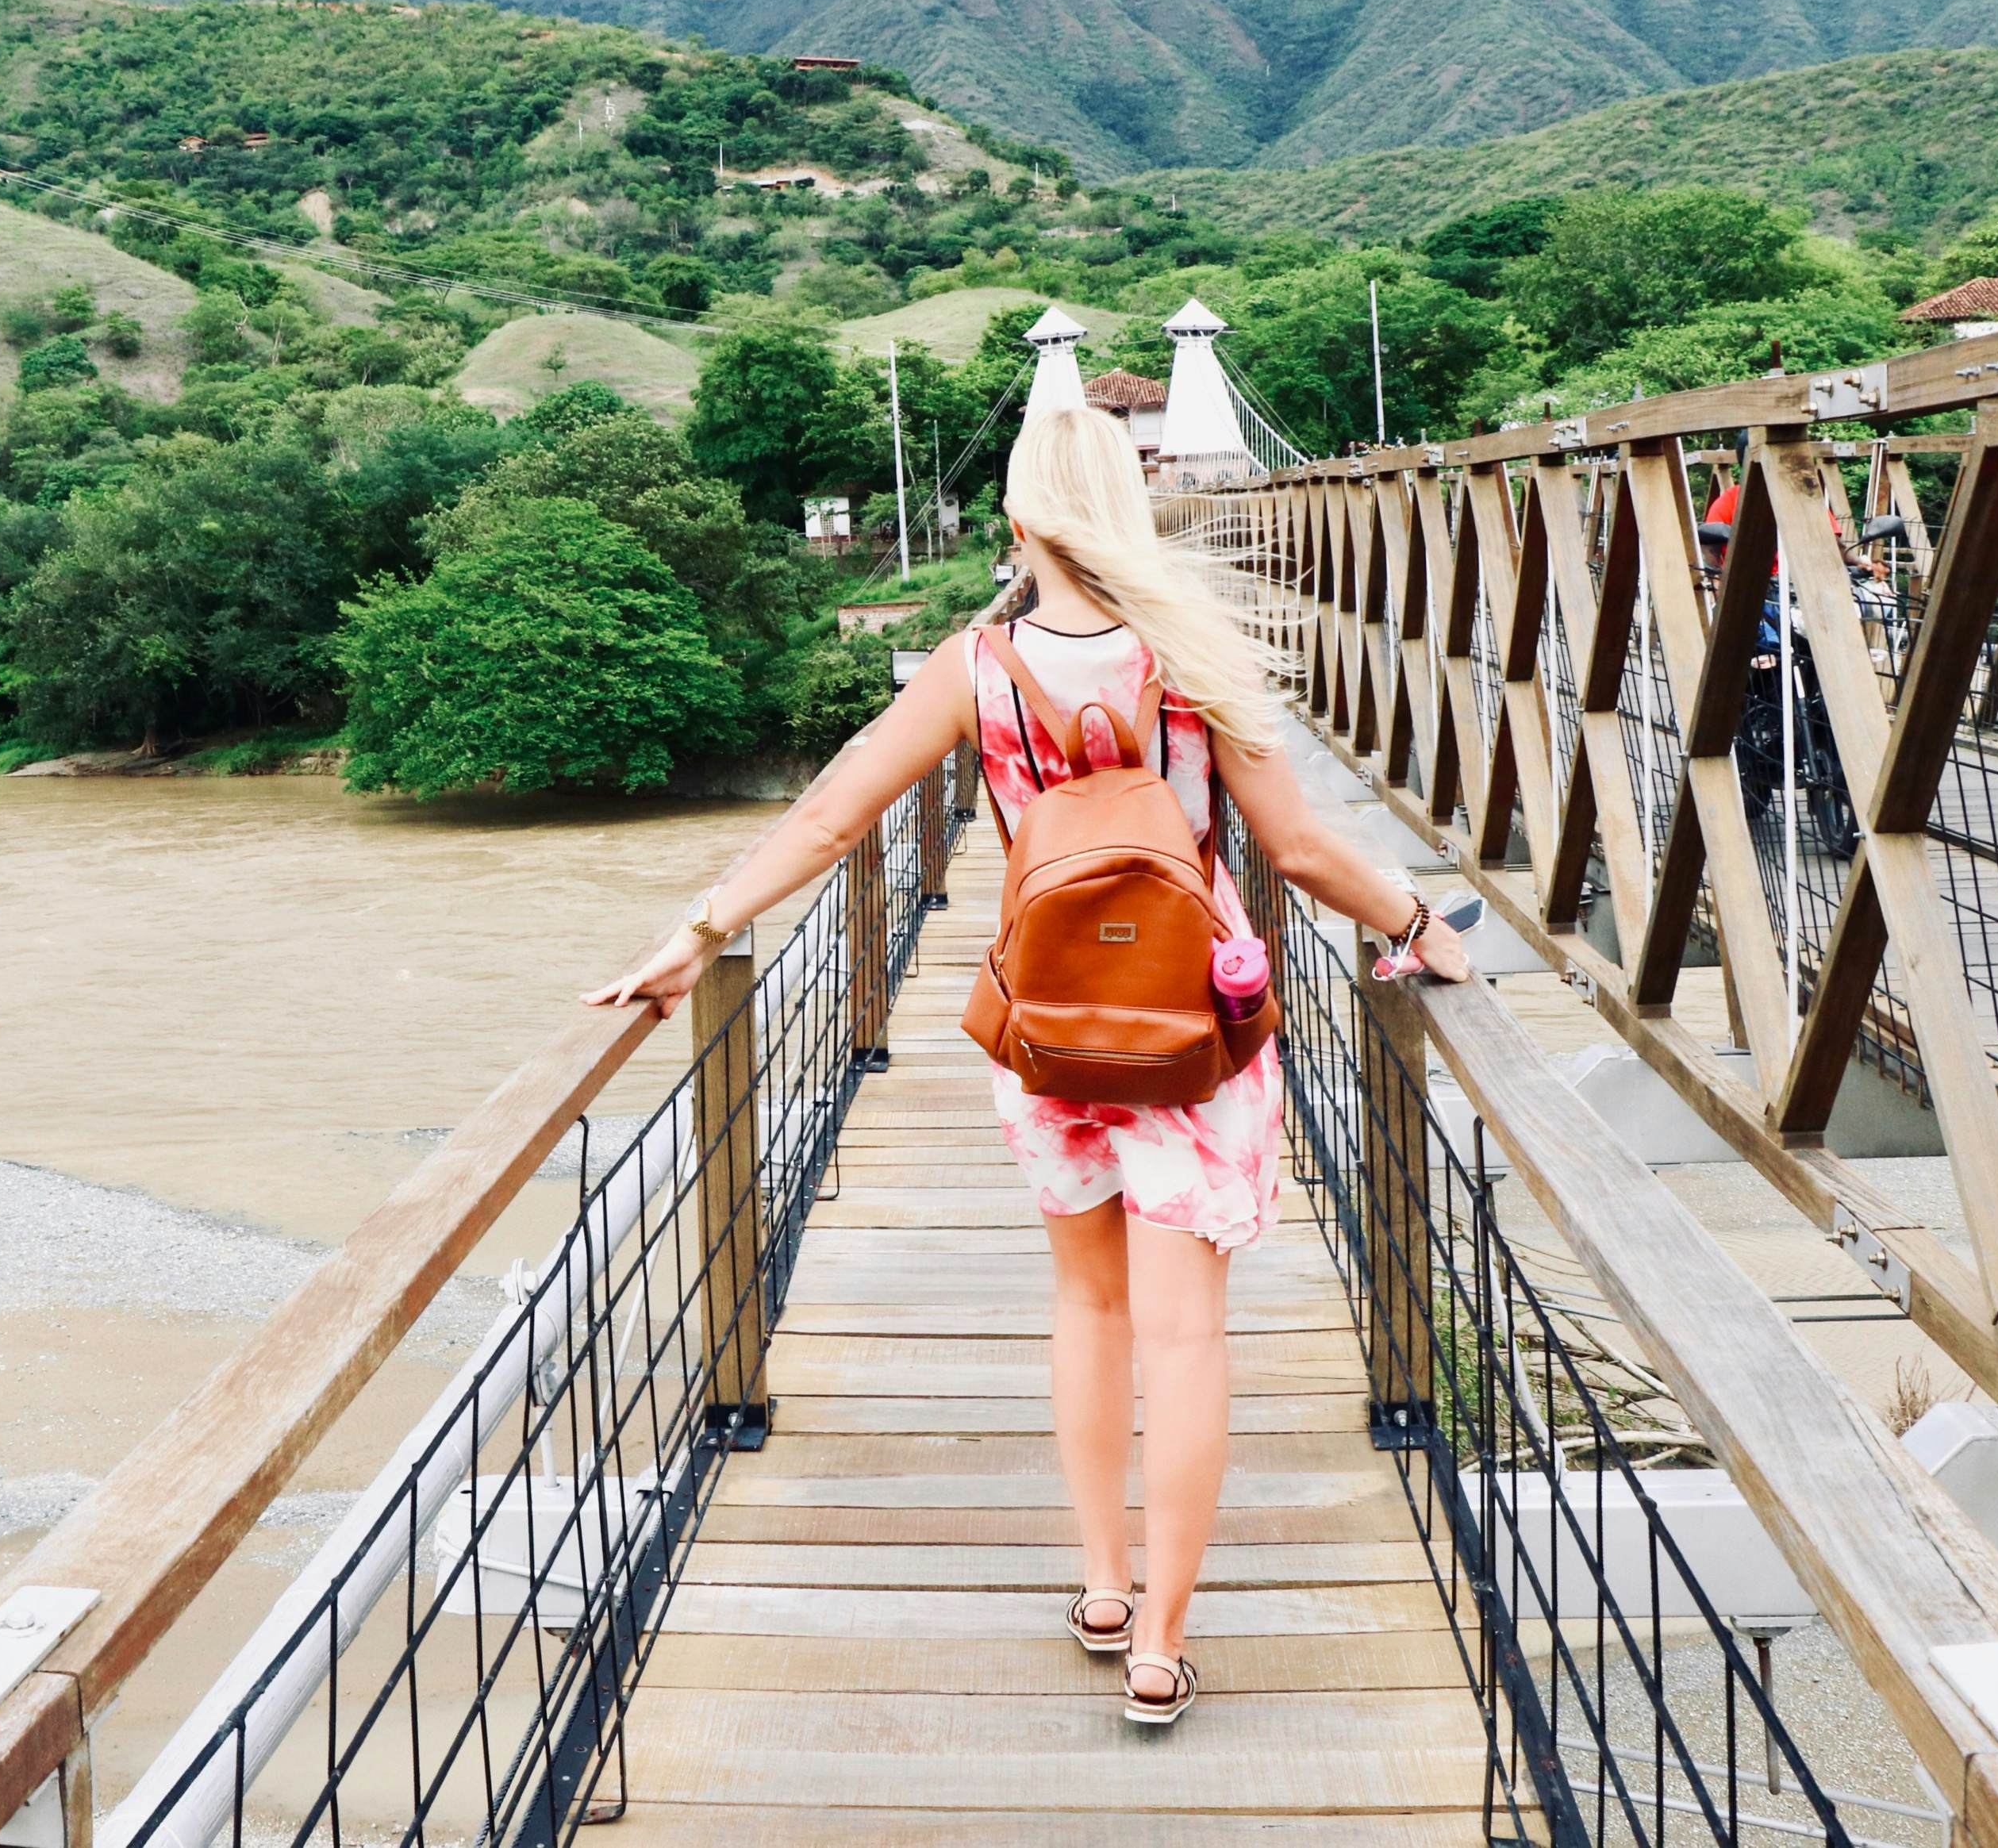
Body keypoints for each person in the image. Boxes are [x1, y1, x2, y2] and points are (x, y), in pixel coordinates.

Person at [587, 405, 1472, 1726]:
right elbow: (1299, 851)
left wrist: (694, 935)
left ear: (1013, 523)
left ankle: (1104, 1582)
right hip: (1199, 1029)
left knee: (1088, 1308)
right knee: (1186, 1333)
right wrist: (1416, 924)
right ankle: (1163, 1643)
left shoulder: (975, 666)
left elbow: (833, 817)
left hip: (1047, 1029)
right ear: (1131, 511)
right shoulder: (1190, 660)